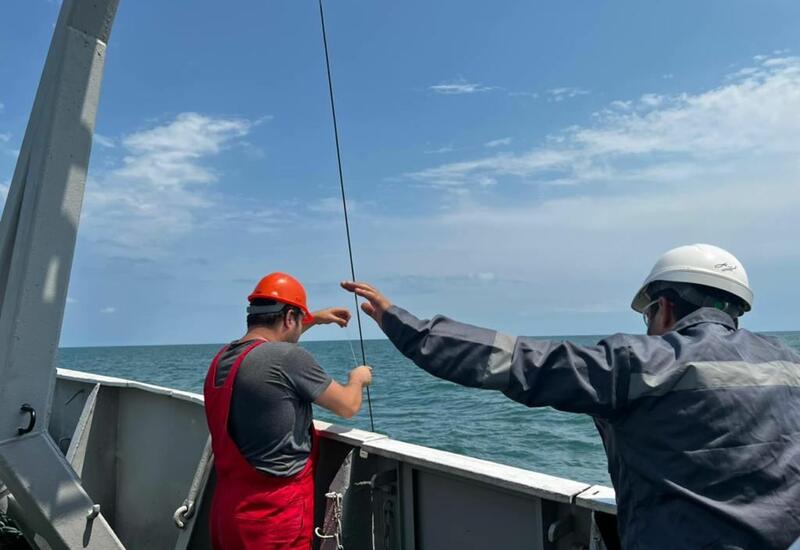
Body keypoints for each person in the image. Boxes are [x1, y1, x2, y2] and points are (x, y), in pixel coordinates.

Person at [342, 244, 800, 549]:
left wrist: (402, 324)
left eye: (648, 316)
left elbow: (513, 361)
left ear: (663, 306)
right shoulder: (789, 365)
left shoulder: (641, 361)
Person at [204, 272, 372, 550]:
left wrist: (314, 319)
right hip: (273, 519)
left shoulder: (223, 358)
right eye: (299, 318)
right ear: (290, 318)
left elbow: (273, 347)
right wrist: (358, 379)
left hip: (228, 512)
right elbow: (347, 406)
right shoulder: (288, 358)